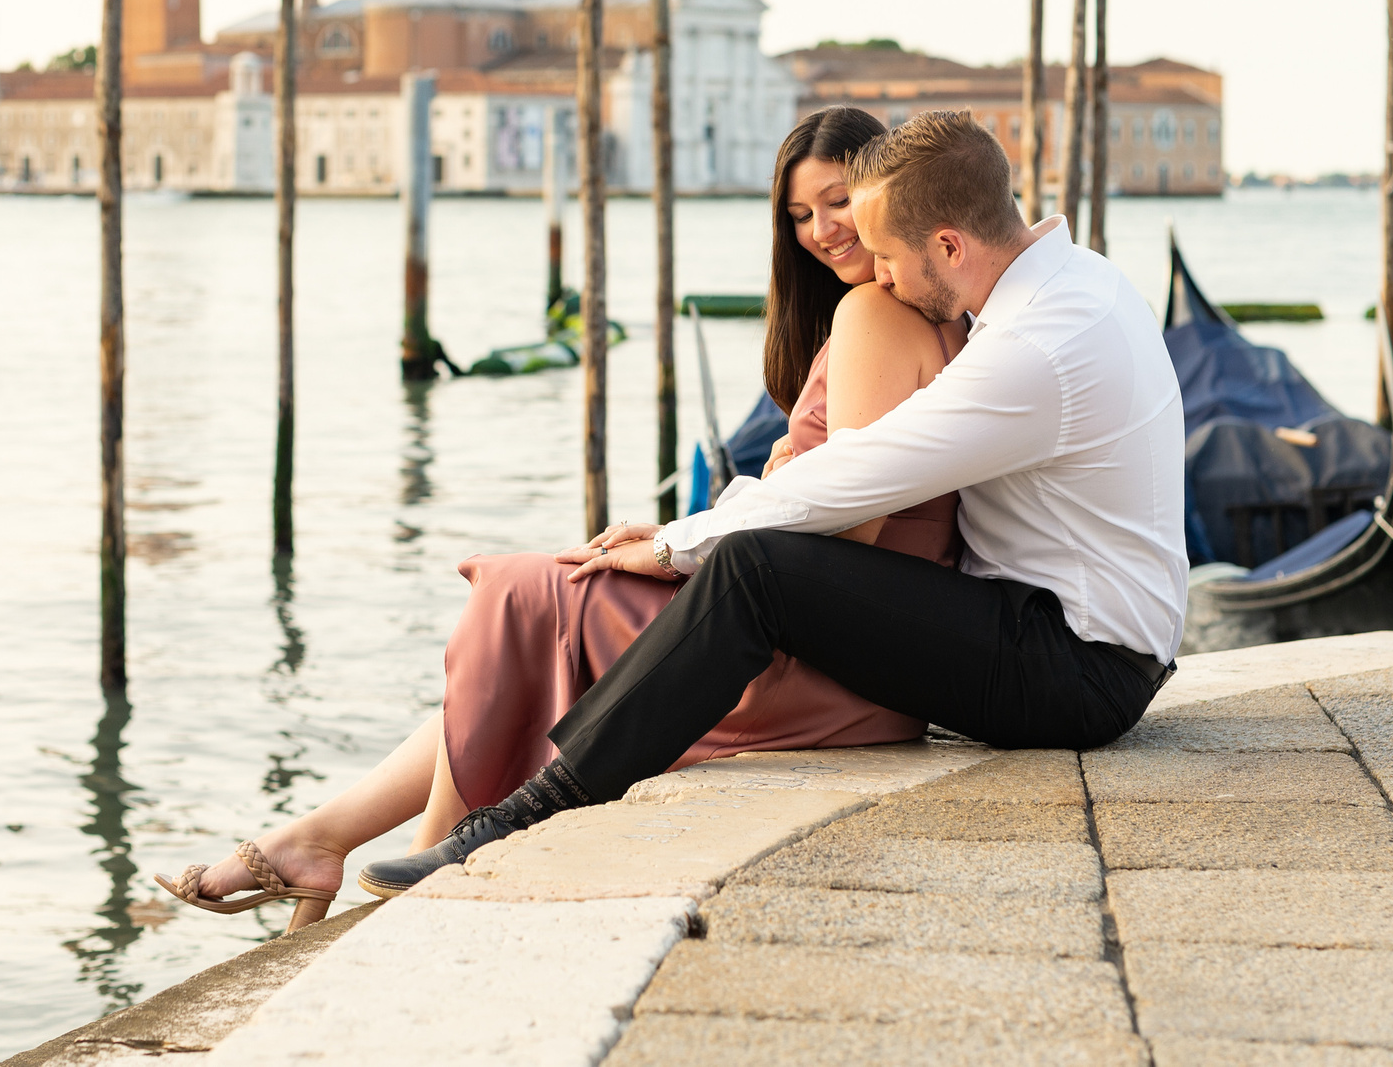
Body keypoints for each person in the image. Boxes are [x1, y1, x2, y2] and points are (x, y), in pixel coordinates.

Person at [153, 106, 965, 926]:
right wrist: (741, 504)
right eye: (799, 215)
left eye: (837, 203)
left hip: (829, 666)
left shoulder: (873, 315)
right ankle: (328, 842)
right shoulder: (887, 314)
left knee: (523, 595)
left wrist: (714, 524)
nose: (823, 231)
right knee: (532, 613)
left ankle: (404, 872)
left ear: (882, 196)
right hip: (842, 651)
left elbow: (851, 535)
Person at [356, 108, 1185, 896]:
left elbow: (853, 480)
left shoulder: (1032, 350)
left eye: (888, 258)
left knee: (755, 570)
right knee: (741, 566)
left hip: (1075, 670)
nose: (880, 275)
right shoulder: (1081, 283)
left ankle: (536, 809)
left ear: (949, 243)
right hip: (1089, 642)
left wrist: (674, 543)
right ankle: (505, 802)